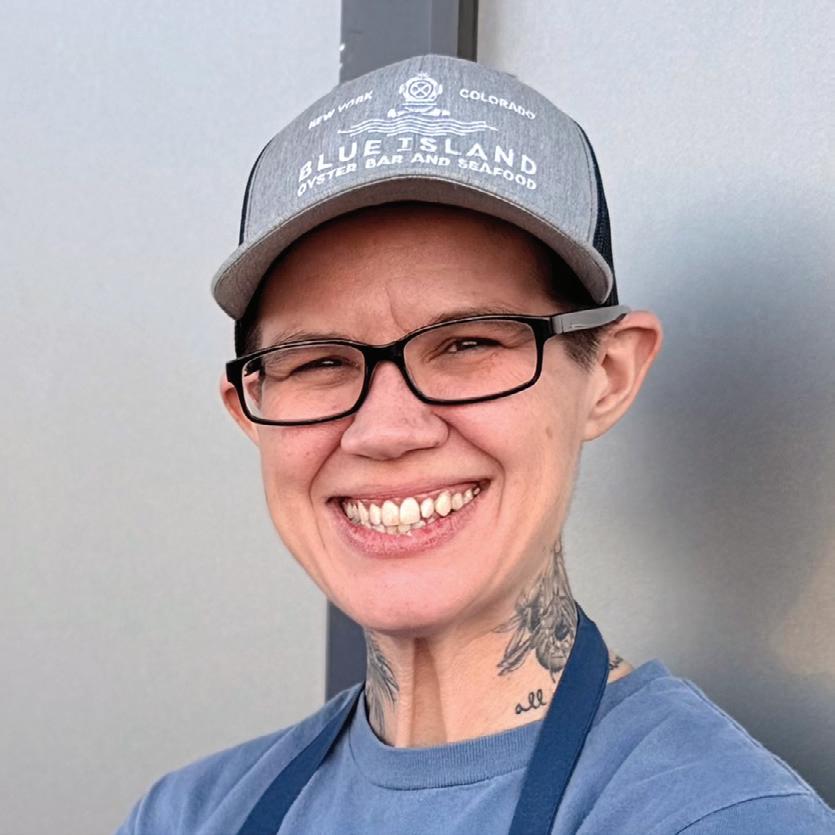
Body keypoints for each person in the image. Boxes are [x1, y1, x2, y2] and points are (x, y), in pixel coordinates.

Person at [116, 55, 834, 834]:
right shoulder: (190, 814)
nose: (386, 429)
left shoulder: (717, 816)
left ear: (607, 375)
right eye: (318, 360)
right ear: (249, 411)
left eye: (466, 344)